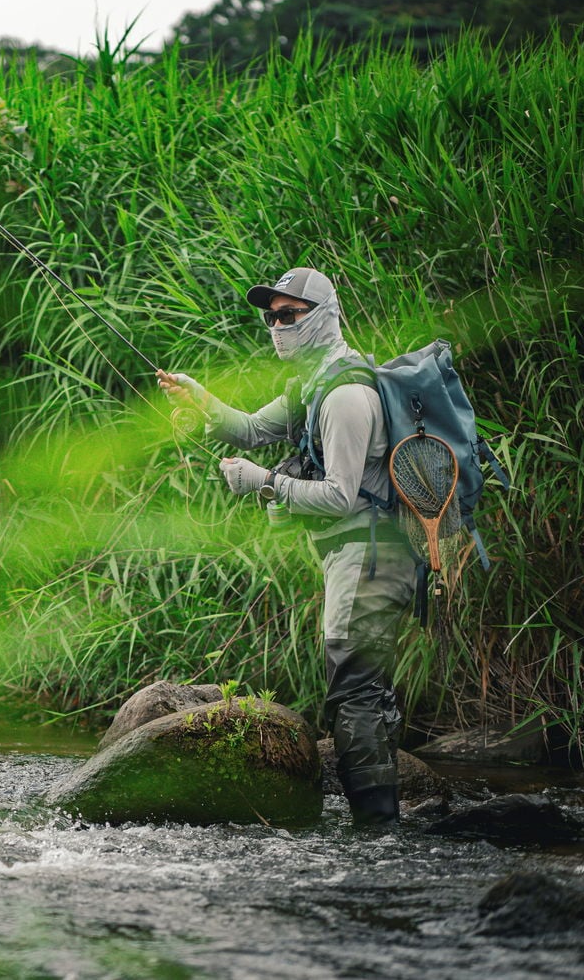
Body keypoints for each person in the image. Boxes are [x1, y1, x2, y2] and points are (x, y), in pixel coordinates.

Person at [157, 267, 417, 827]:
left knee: (355, 693)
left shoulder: (346, 394)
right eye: (271, 316)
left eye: (289, 314)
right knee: (360, 688)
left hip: (370, 555)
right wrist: (200, 400)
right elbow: (251, 430)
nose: (276, 326)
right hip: (355, 556)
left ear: (322, 314)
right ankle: (380, 825)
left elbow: (343, 495)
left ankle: (377, 834)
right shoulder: (311, 382)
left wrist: (265, 483)